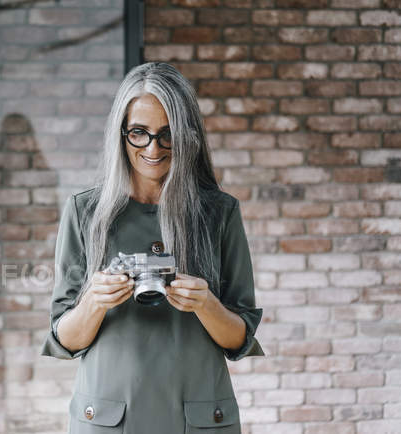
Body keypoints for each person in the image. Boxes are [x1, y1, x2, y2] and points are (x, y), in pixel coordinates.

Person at [41, 62, 264, 434]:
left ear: (186, 135)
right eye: (139, 133)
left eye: (167, 134)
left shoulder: (219, 213)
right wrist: (95, 301)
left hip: (198, 418)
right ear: (121, 133)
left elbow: (240, 340)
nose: (153, 148)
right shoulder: (85, 212)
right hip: (110, 419)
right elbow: (64, 339)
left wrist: (206, 304)